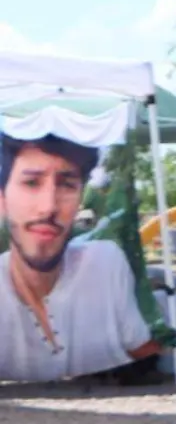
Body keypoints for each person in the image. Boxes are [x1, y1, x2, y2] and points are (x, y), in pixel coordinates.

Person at [0, 133, 159, 382]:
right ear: (2, 199)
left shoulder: (105, 263)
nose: (49, 207)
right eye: (31, 183)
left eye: (67, 185)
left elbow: (139, 344)